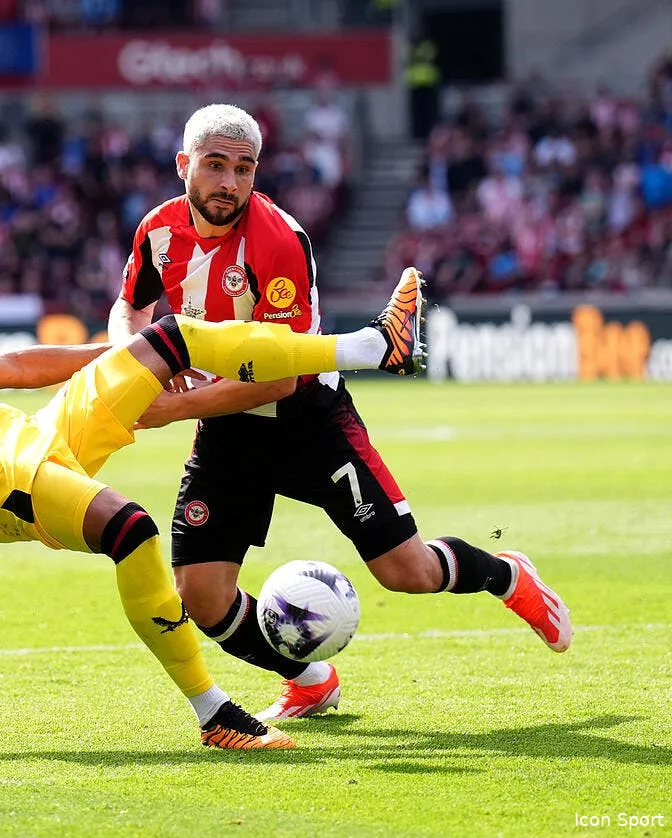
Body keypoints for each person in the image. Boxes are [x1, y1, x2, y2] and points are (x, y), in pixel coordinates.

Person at [0, 257, 423, 754]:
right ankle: (214, 713)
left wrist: (129, 356)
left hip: (34, 437)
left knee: (174, 333)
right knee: (130, 529)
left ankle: (368, 346)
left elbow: (22, 369)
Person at [107, 103, 571, 723]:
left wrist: (170, 408)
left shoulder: (278, 240)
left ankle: (506, 574)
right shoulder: (159, 230)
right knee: (202, 596)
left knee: (407, 572)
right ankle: (309, 679)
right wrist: (129, 358)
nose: (229, 183)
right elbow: (130, 306)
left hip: (308, 420)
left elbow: (277, 378)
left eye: (243, 169)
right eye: (215, 166)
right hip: (226, 432)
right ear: (182, 165)